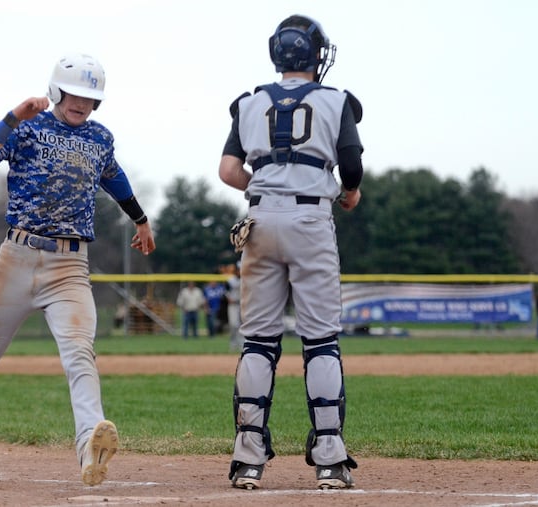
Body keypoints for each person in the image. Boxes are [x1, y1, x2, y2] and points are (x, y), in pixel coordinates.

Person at [0, 53, 156, 487]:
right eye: (76, 94)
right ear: (57, 90)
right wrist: (13, 116)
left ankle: (89, 450)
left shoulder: (100, 138)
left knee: (79, 353)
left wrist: (141, 218)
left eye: (92, 98)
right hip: (16, 259)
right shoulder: (28, 127)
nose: (83, 104)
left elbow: (115, 177)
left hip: (69, 267)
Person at [218, 14, 363, 490]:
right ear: (315, 54)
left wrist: (262, 186)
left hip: (260, 219)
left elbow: (227, 170)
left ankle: (247, 458)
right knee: (320, 340)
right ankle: (329, 458)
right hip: (309, 220)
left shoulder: (249, 101)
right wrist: (350, 191)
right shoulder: (336, 100)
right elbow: (352, 163)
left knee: (258, 341)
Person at [226, 262, 243, 351]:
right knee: (233, 325)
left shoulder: (245, 279)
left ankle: (241, 344)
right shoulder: (230, 280)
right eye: (239, 269)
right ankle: (233, 344)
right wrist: (228, 297)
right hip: (233, 305)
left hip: (242, 304)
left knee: (242, 325)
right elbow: (225, 291)